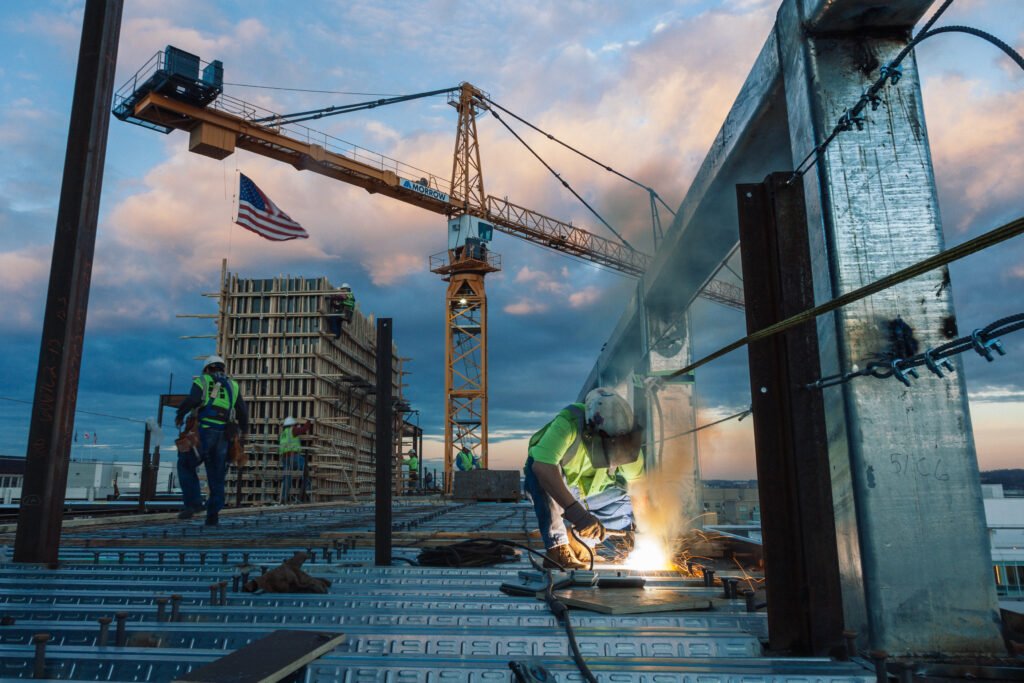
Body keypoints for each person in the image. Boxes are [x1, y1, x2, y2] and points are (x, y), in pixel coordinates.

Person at [524, 387, 645, 569]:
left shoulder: (626, 440)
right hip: (561, 491)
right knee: (539, 474)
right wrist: (578, 515)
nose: (616, 452)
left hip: (594, 496)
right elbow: (542, 467)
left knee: (627, 502)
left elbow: (640, 489)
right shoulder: (569, 423)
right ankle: (558, 547)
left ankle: (581, 541)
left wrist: (647, 533)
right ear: (591, 434)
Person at [175, 354, 249, 526]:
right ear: (223, 368)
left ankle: (193, 503)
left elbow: (193, 400)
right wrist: (243, 436)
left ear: (207, 368)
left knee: (186, 464)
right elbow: (242, 412)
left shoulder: (203, 380)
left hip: (204, 431)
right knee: (216, 476)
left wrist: (180, 413)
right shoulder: (233, 385)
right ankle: (212, 516)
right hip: (223, 436)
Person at [279, 416, 313, 503]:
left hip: (285, 458)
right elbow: (304, 429)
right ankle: (306, 494)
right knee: (305, 472)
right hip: (294, 457)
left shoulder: (283, 434)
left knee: (287, 478)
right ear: (292, 425)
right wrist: (309, 421)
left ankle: (284, 498)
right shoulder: (293, 430)